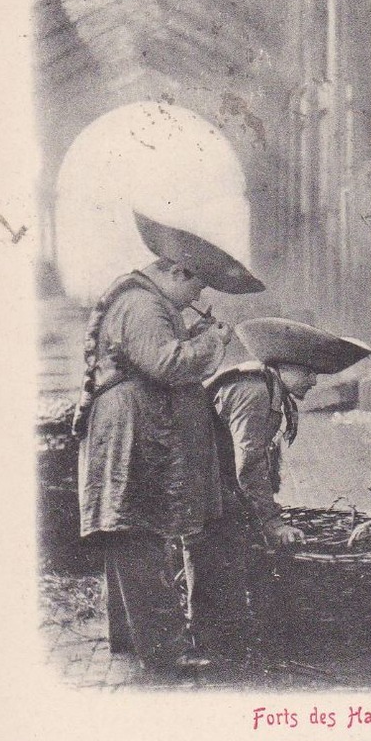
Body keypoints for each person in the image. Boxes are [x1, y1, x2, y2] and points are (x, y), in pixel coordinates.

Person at [73, 210, 264, 678]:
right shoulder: (142, 305)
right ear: (177, 272)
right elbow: (167, 364)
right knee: (138, 531)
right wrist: (211, 343)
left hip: (135, 427)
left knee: (129, 528)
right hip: (131, 431)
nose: (197, 298)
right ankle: (163, 651)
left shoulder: (147, 302)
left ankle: (133, 639)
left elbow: (154, 357)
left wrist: (193, 336)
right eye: (197, 288)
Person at [185, 318, 371, 661]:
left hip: (212, 480)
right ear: (285, 368)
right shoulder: (254, 392)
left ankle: (222, 637)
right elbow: (249, 462)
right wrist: (271, 522)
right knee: (213, 549)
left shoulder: (268, 388)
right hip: (199, 482)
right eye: (309, 372)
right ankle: (210, 644)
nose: (314, 381)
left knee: (226, 548)